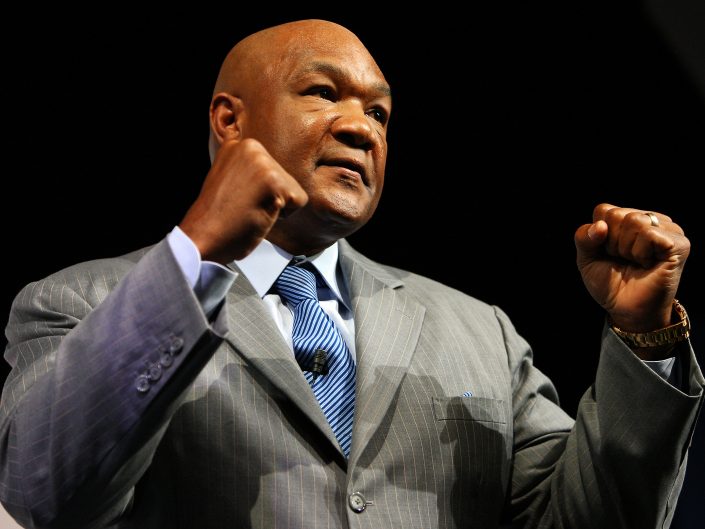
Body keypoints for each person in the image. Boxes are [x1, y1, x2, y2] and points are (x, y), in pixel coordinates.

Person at [0, 18, 702, 529]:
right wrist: (197, 254)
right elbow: (44, 496)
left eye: (377, 111)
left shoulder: (477, 329)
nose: (362, 127)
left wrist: (643, 336)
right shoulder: (78, 301)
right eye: (321, 93)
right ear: (229, 121)